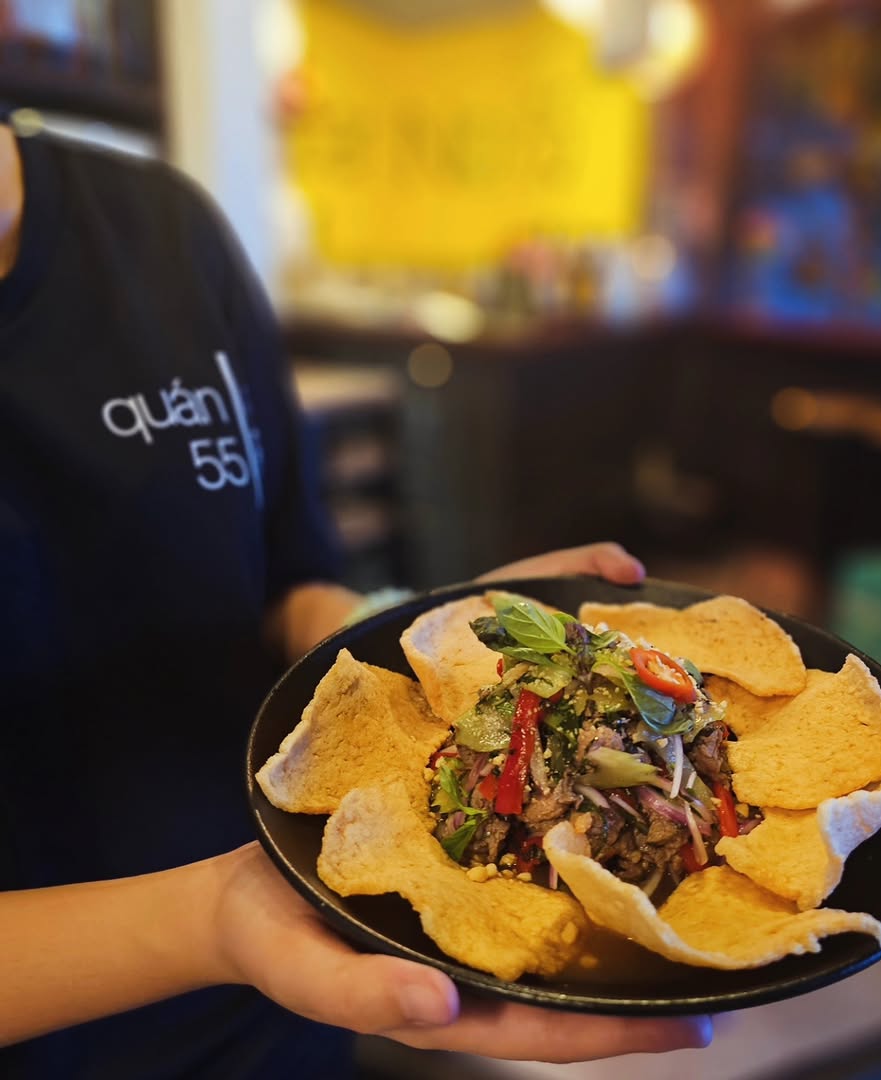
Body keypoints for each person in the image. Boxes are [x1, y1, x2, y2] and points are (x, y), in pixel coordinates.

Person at [0, 119, 713, 1076]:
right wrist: (206, 922)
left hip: (292, 973)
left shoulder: (160, 229)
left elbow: (287, 581)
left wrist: (420, 641)